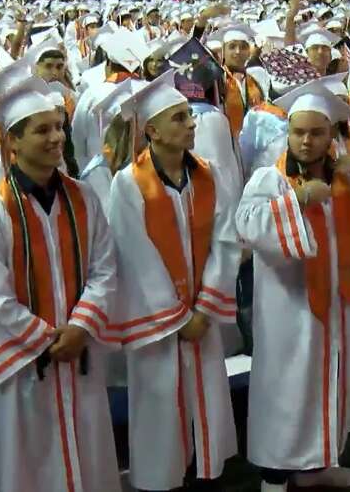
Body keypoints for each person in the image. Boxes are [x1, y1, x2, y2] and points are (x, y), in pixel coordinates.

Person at [235, 80, 350, 491]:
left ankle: (319, 463)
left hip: (338, 306)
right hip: (290, 310)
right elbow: (248, 225)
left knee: (331, 385)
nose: (306, 141)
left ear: (331, 136)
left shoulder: (346, 180)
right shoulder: (269, 180)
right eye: (298, 132)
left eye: (317, 133)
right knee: (287, 391)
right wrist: (299, 199)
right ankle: (274, 477)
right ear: (286, 134)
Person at [0, 78, 122, 492]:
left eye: (58, 127)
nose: (56, 137)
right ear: (12, 141)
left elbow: (105, 268)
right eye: (42, 129)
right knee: (32, 468)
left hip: (79, 356)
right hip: (25, 366)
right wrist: (50, 340)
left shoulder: (84, 199)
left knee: (89, 461)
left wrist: (80, 328)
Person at [108, 73, 242, 491]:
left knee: (205, 408)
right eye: (180, 117)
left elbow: (226, 240)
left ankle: (205, 475)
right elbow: (136, 257)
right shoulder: (128, 184)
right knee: (161, 410)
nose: (192, 124)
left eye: (189, 116)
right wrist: (177, 316)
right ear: (152, 130)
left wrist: (203, 309)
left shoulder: (210, 174)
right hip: (158, 325)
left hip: (201, 316)